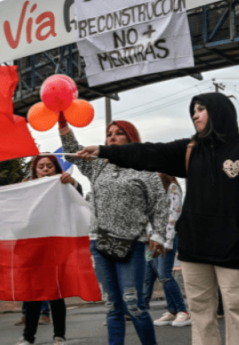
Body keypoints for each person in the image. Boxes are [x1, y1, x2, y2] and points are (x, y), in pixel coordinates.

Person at [74, 93, 239, 345]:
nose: (195, 114)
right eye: (193, 110)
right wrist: (105, 151)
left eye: (201, 109)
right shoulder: (190, 149)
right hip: (194, 249)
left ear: (220, 111)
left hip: (235, 247)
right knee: (201, 314)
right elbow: (150, 152)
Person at [60, 118, 168, 345]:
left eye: (119, 133)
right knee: (112, 307)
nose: (112, 137)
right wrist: (63, 126)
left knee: (134, 305)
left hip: (133, 245)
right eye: (109, 134)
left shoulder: (145, 167)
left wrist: (158, 234)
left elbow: (159, 203)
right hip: (100, 243)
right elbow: (72, 152)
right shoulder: (98, 164)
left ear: (131, 138)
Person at [14, 154, 82, 345]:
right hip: (34, 248)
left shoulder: (64, 186)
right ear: (35, 171)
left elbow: (78, 199)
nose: (45, 169)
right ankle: (28, 337)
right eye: (41, 166)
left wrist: (74, 184)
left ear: (57, 169)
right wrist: (20, 193)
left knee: (55, 292)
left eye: (49, 166)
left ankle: (59, 335)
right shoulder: (27, 189)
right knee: (33, 293)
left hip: (57, 247)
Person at [143, 173, 191, 327]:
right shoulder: (157, 191)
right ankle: (172, 310)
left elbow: (174, 215)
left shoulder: (173, 188)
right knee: (152, 273)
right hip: (152, 239)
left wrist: (168, 241)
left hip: (165, 238)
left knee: (165, 275)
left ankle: (183, 311)